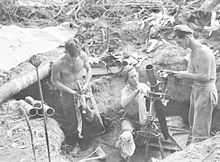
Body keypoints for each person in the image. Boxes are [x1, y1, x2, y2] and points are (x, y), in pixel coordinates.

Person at [51, 38, 105, 155]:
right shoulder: (58, 63)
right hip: (68, 93)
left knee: (90, 113)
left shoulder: (82, 56)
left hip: (83, 89)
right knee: (72, 119)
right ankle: (74, 143)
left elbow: (89, 69)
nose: (75, 58)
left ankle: (91, 139)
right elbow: (55, 81)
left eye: (77, 55)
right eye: (72, 56)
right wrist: (71, 92)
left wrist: (86, 83)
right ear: (66, 52)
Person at [171, 24, 218, 144]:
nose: (179, 46)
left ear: (187, 38)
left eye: (179, 42)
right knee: (193, 123)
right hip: (196, 90)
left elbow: (205, 76)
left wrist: (184, 75)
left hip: (206, 91)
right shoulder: (192, 53)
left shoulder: (203, 52)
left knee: (200, 129)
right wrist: (173, 73)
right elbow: (190, 73)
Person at [115, 66, 150, 161]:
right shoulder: (125, 91)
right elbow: (123, 103)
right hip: (129, 120)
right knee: (126, 136)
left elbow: (152, 103)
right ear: (127, 80)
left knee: (146, 140)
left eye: (135, 75)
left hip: (143, 120)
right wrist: (136, 92)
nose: (135, 79)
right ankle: (126, 156)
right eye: (131, 77)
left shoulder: (144, 87)